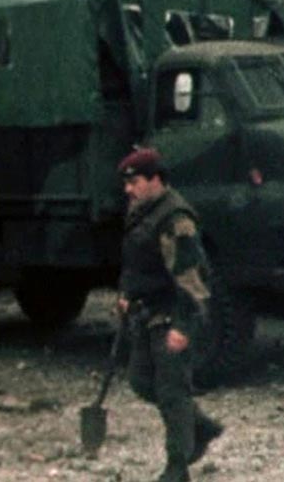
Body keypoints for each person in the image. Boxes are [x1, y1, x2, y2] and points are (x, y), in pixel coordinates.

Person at [115, 148, 223, 482]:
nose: (128, 190)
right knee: (140, 381)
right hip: (145, 314)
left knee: (172, 392)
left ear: (155, 179)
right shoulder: (141, 212)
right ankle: (200, 427)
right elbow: (136, 260)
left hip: (171, 315)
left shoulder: (175, 219)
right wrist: (125, 294)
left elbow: (193, 279)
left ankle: (177, 467)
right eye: (126, 183)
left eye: (134, 182)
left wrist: (184, 326)